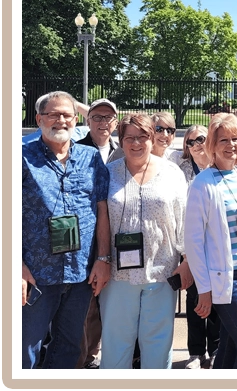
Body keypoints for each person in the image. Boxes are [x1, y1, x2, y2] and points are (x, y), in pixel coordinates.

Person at [22, 91, 110, 369]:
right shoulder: (19, 157)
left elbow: (102, 210)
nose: (61, 120)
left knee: (69, 347)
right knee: (25, 350)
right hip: (35, 274)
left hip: (79, 274)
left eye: (67, 115)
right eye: (53, 114)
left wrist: (103, 258)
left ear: (76, 120)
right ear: (39, 119)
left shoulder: (90, 157)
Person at [98, 113, 189, 369]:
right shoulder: (108, 173)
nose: (136, 143)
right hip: (118, 275)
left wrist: (187, 260)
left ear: (152, 138)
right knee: (116, 348)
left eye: (142, 137)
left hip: (162, 272)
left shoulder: (172, 173)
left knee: (158, 349)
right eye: (129, 138)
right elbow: (99, 220)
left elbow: (184, 220)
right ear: (121, 140)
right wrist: (101, 259)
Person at [184, 113, 237, 369]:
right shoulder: (202, 183)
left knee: (230, 346)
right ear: (212, 146)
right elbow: (193, 241)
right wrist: (204, 290)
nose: (231, 145)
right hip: (225, 279)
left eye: (235, 138)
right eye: (223, 140)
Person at [76, 98, 124, 369]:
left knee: (112, 297)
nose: (103, 122)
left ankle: (100, 353)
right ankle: (86, 357)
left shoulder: (123, 150)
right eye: (97, 117)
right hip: (87, 235)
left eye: (108, 117)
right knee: (88, 301)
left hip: (117, 235)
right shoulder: (76, 149)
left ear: (115, 122)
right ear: (87, 121)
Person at [177, 125, 220, 370]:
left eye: (201, 139)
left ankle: (215, 349)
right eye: (190, 141)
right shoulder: (180, 170)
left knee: (215, 300)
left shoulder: (219, 167)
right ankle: (195, 352)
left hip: (215, 246)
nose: (196, 145)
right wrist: (185, 254)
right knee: (194, 300)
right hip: (191, 246)